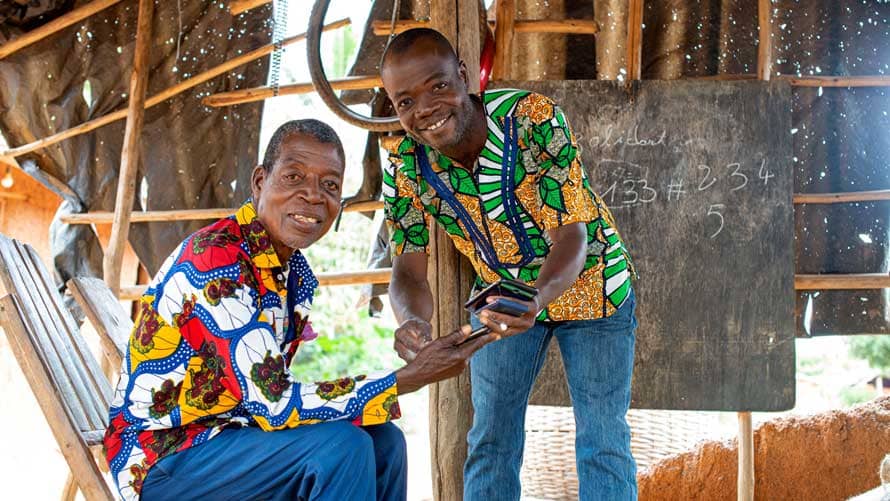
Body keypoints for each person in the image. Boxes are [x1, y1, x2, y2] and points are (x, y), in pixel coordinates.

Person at [103, 119, 499, 501]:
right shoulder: (216, 261)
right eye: (294, 177)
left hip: (230, 436)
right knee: (339, 448)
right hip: (164, 460)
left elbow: (267, 402)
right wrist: (405, 378)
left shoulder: (290, 271)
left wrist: (400, 381)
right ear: (260, 182)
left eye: (329, 185)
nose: (312, 195)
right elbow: (274, 404)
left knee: (384, 440)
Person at [380, 29, 638, 500]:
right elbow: (408, 269)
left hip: (595, 284)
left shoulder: (531, 118)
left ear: (463, 74)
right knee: (491, 440)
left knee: (602, 440)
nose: (426, 109)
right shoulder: (405, 166)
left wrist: (535, 300)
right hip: (501, 302)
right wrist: (413, 321)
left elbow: (572, 236)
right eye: (405, 102)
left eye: (438, 85)